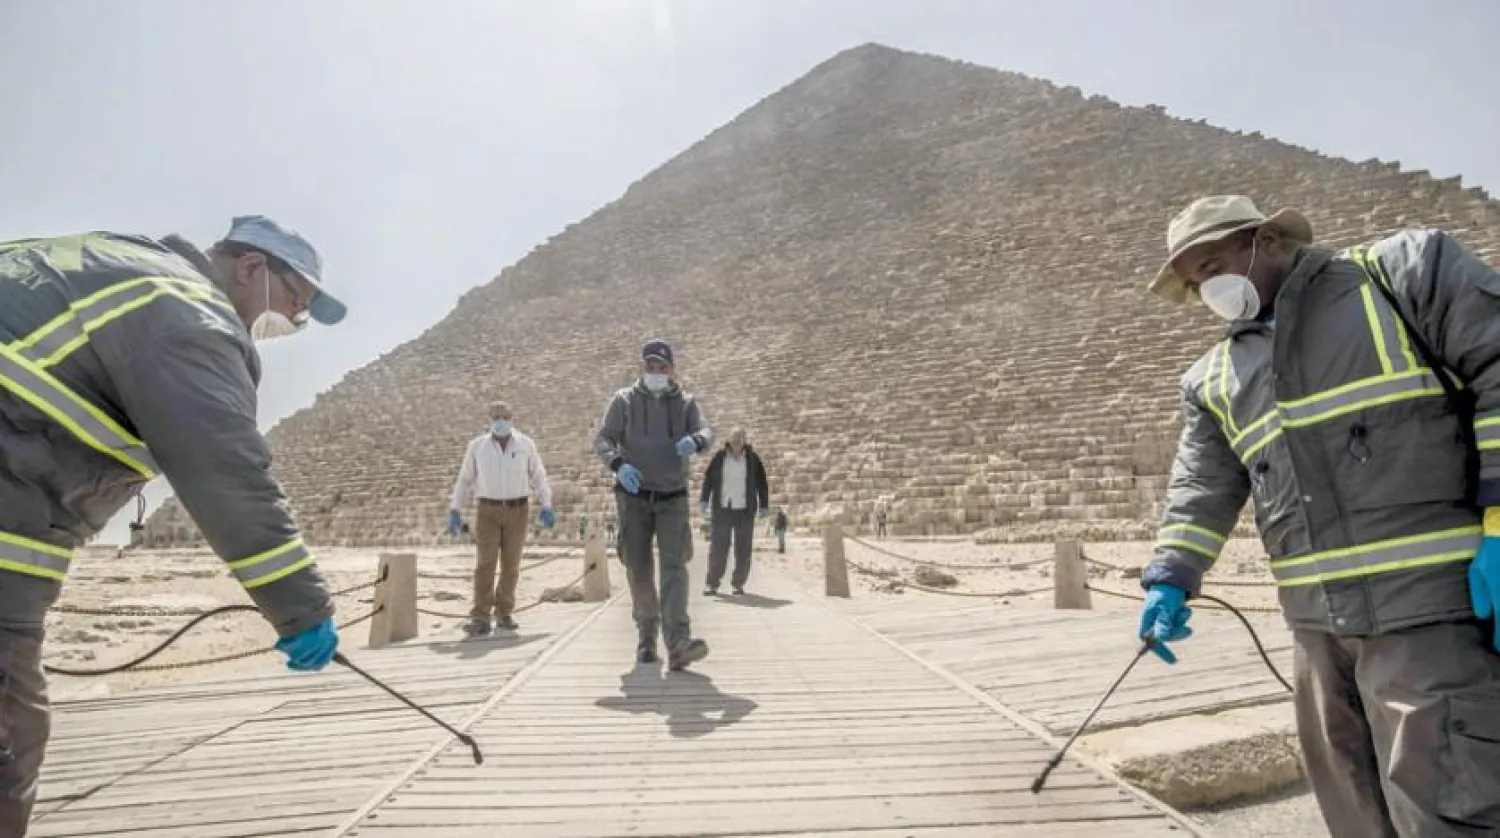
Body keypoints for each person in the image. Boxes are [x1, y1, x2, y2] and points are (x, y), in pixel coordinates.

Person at [1137, 194, 1500, 837]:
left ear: (1269, 239)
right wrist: (1172, 574)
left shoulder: (1404, 277)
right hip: (1316, 634)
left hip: (1431, 616)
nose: (1210, 288)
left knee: (1451, 807)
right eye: (1196, 282)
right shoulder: (1214, 376)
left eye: (1216, 262)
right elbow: (1202, 485)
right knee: (1354, 809)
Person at [0, 217, 348, 835]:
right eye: (295, 304)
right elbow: (225, 469)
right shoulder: (186, 311)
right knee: (8, 737)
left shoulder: (106, 259)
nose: (290, 326)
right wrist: (301, 609)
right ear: (250, 269)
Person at [594, 338, 713, 669]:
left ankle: (678, 642)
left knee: (675, 568)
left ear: (672, 370)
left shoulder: (686, 404)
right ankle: (646, 636)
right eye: (650, 366)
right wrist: (618, 464)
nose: (656, 372)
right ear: (642, 367)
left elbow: (707, 430)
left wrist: (698, 440)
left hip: (672, 496)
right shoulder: (624, 402)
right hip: (633, 498)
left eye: (662, 367)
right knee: (639, 567)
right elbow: (604, 439)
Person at [448, 401, 555, 636]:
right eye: (496, 416)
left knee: (511, 563)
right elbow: (465, 480)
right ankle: (481, 616)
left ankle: (504, 612)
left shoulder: (526, 445)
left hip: (519, 509)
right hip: (487, 510)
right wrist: (455, 508)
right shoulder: (477, 447)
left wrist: (547, 504)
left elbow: (539, 476)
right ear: (489, 418)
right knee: (485, 563)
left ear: (511, 417)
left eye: (504, 416)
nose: (500, 420)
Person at [699, 428, 770, 595]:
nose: (737, 442)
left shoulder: (753, 459)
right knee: (718, 548)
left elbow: (762, 482)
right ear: (729, 441)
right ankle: (712, 583)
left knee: (743, 549)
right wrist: (704, 500)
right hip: (722, 508)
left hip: (744, 510)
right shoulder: (719, 458)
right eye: (734, 439)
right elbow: (708, 480)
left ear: (745, 440)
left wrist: (764, 504)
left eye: (740, 439)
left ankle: (738, 584)